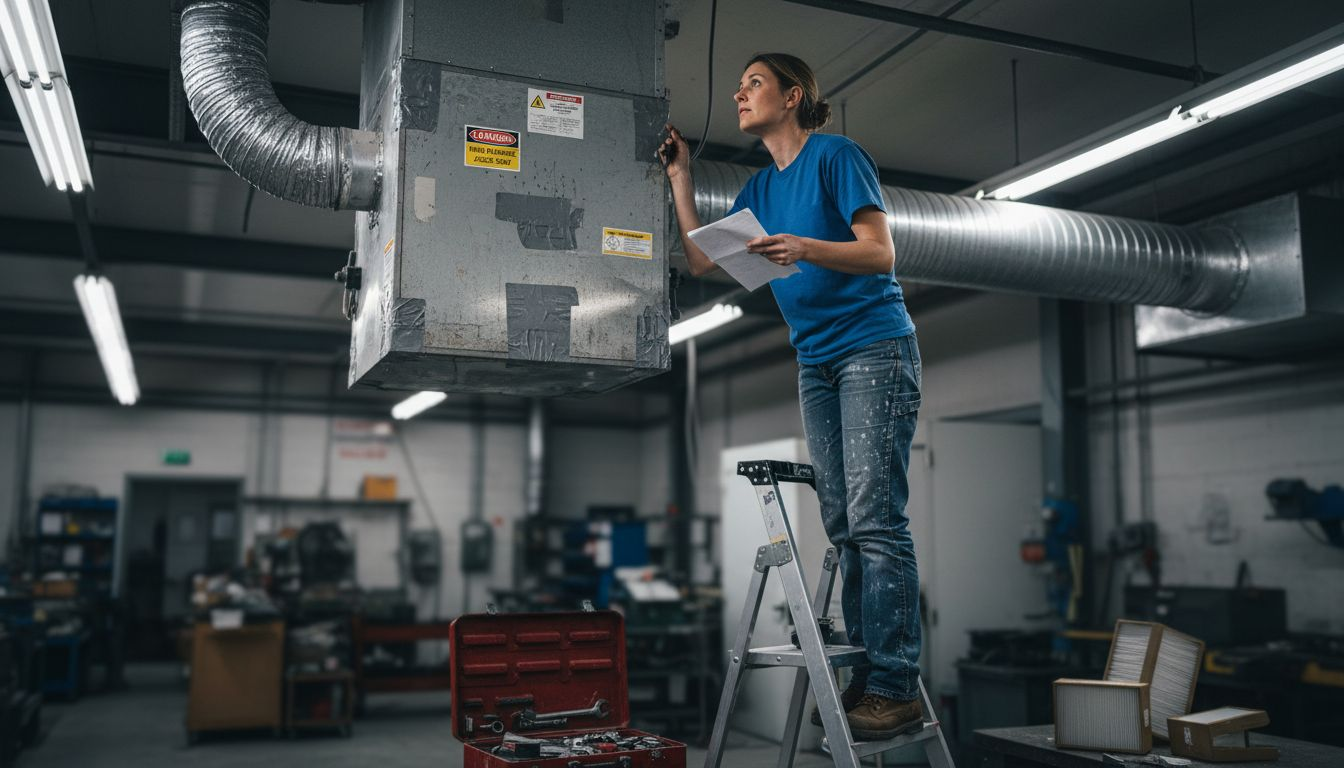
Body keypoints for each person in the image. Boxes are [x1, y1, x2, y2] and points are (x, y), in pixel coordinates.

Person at [660, 52, 924, 739]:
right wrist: (682, 177)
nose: (739, 94)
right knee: (841, 519)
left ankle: (896, 683)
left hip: (874, 347)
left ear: (793, 94)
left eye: (753, 83)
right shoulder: (759, 189)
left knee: (874, 515)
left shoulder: (837, 156)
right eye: (741, 85)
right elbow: (698, 259)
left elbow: (880, 253)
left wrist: (805, 247)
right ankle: (869, 672)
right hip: (816, 360)